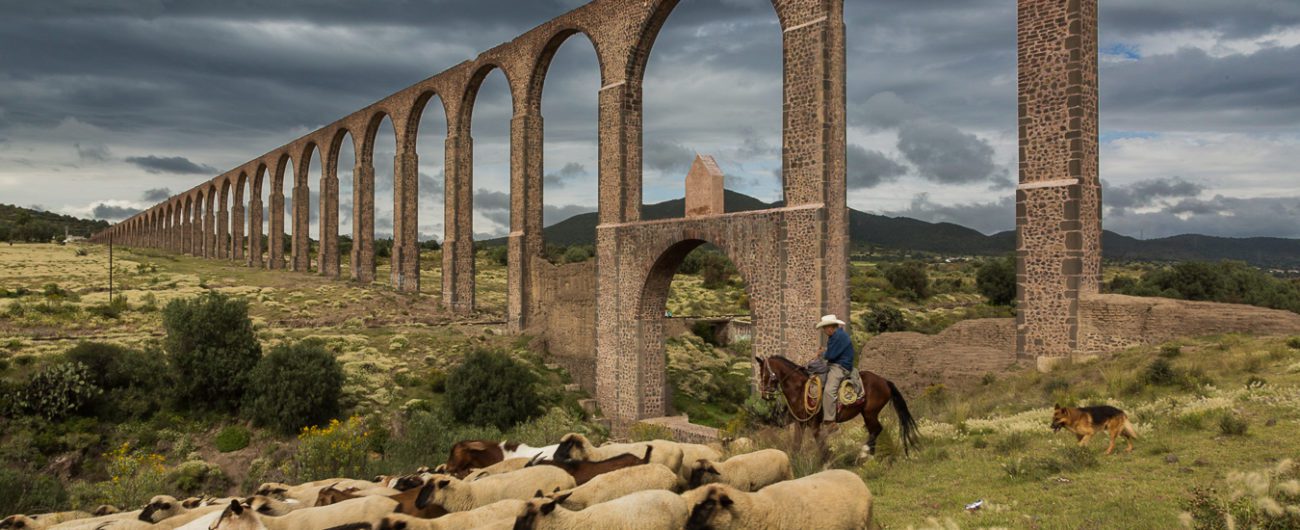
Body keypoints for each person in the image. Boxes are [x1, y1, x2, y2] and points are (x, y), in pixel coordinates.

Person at [815, 314, 853, 423]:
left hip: (840, 366)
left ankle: (830, 421)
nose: (824, 331)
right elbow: (834, 351)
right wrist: (826, 350)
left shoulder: (838, 336)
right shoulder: (837, 335)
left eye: (824, 328)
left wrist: (822, 354)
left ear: (830, 327)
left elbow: (830, 356)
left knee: (828, 391)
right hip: (835, 364)